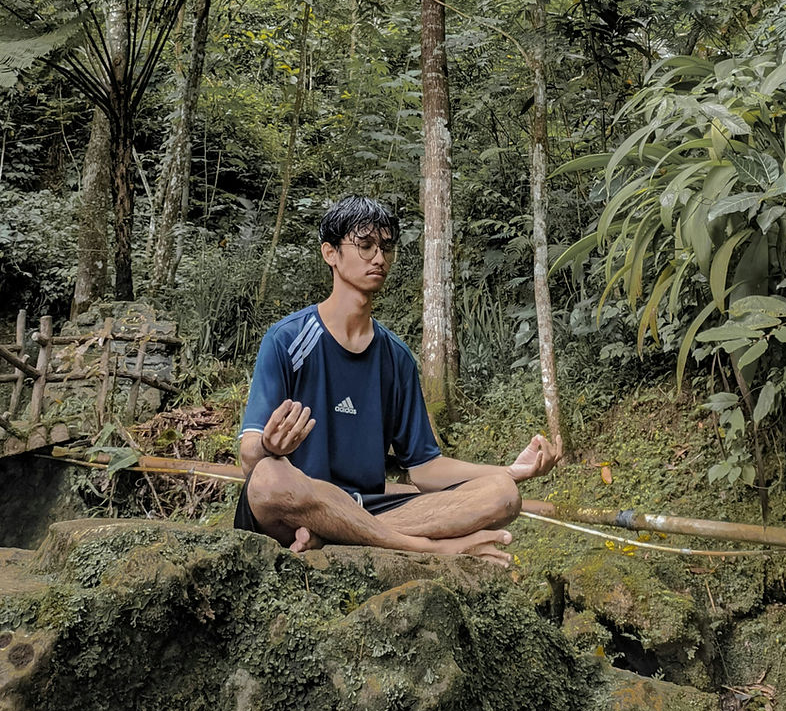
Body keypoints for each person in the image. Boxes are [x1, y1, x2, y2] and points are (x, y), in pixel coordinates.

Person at [235, 195, 562, 566]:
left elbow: (425, 469)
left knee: (501, 494)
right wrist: (269, 445)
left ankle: (336, 538)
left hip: (370, 508)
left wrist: (510, 471)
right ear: (330, 253)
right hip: (302, 503)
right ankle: (427, 548)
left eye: (386, 248)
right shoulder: (287, 339)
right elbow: (250, 458)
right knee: (268, 479)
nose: (379, 258)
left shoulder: (396, 357)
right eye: (365, 245)